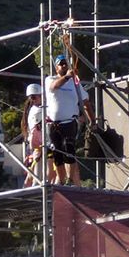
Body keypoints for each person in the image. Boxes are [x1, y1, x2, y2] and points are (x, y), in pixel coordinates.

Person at [43, 39, 94, 187]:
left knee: (69, 149)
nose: (64, 65)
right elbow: (54, 86)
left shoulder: (75, 84)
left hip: (69, 123)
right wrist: (66, 77)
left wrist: (93, 121)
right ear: (56, 67)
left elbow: (85, 102)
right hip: (54, 124)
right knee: (57, 154)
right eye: (61, 64)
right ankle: (62, 179)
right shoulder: (50, 80)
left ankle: (70, 179)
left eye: (65, 63)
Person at [21, 83, 46, 186]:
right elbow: (36, 132)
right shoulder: (38, 111)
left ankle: (27, 192)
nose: (35, 99)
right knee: (38, 175)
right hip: (39, 147)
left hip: (37, 146)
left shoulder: (35, 109)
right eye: (33, 97)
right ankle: (36, 195)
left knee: (32, 177)